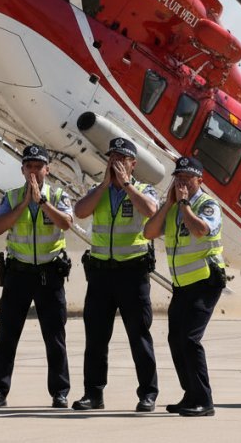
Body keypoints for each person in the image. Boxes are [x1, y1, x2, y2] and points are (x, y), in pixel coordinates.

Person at [71, 137, 160, 412]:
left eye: (122, 159)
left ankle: (148, 393)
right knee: (96, 337)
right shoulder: (100, 190)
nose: (116, 163)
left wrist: (127, 186)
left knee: (139, 335)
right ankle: (93, 393)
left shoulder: (145, 189)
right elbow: (80, 211)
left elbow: (151, 211)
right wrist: (105, 185)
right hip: (100, 274)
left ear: (133, 164)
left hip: (132, 273)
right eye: (112, 158)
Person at [0, 145, 74, 409]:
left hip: (50, 274)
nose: (34, 171)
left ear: (47, 169)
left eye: (39, 166)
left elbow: (66, 224)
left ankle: (60, 392)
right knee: (7, 335)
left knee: (55, 336)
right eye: (29, 166)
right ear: (23, 169)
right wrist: (25, 203)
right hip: (19, 274)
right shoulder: (11, 197)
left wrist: (42, 203)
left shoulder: (58, 196)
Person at [144, 156, 225, 417]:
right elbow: (149, 231)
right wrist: (168, 205)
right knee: (176, 340)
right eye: (178, 178)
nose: (182, 183)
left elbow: (201, 230)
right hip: (181, 285)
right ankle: (190, 393)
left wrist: (184, 205)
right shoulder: (174, 207)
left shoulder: (207, 204)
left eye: (187, 179)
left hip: (205, 282)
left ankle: (204, 400)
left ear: (199, 181)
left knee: (190, 339)